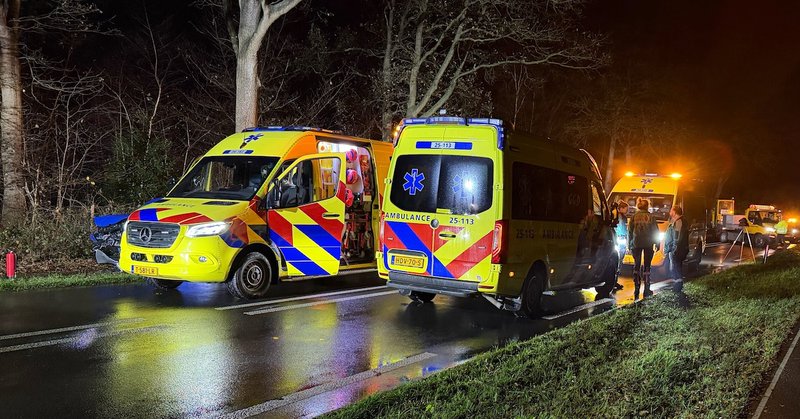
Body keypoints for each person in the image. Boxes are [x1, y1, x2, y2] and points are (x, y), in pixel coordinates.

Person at [628, 198, 660, 299]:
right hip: (648, 244)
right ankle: (647, 287)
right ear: (647, 206)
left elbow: (629, 232)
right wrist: (657, 243)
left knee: (636, 266)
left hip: (636, 243)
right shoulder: (651, 217)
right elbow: (655, 231)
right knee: (647, 266)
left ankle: (636, 287)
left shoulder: (633, 217)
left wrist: (629, 244)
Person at [664, 206, 689, 291]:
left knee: (675, 267)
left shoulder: (679, 222)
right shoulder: (677, 221)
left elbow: (677, 237)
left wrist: (674, 249)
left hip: (677, 250)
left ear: (674, 212)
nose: (669, 212)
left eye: (671, 210)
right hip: (676, 249)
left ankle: (677, 286)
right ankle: (677, 285)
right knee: (675, 267)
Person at [612, 200, 630, 291]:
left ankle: (615, 281)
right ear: (621, 208)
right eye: (626, 209)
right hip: (618, 239)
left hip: (622, 240)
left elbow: (626, 230)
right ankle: (613, 281)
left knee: (620, 262)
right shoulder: (616, 216)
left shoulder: (624, 217)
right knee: (617, 262)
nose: (627, 211)